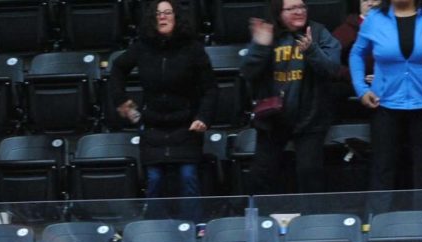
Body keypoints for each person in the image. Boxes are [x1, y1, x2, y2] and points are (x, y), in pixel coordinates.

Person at [109, 0, 214, 221]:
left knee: (188, 176)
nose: (162, 17)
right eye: (158, 14)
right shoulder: (142, 46)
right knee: (155, 179)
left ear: (177, 17)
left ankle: (194, 228)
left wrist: (203, 117)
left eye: (167, 13)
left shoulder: (193, 48)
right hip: (153, 125)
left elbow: (211, 89)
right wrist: (124, 103)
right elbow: (117, 69)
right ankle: (157, 230)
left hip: (186, 126)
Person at [349, 0, 422, 203]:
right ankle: (377, 225)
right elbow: (357, 53)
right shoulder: (375, 18)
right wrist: (361, 89)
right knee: (382, 169)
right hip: (383, 102)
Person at [239, 0, 343, 195]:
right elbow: (247, 73)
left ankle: (312, 221)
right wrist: (260, 47)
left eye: (301, 7)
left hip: (311, 120)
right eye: (291, 8)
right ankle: (259, 219)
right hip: (272, 119)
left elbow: (332, 70)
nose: (298, 12)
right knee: (260, 175)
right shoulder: (268, 33)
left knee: (309, 174)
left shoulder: (318, 32)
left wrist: (311, 50)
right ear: (279, 13)